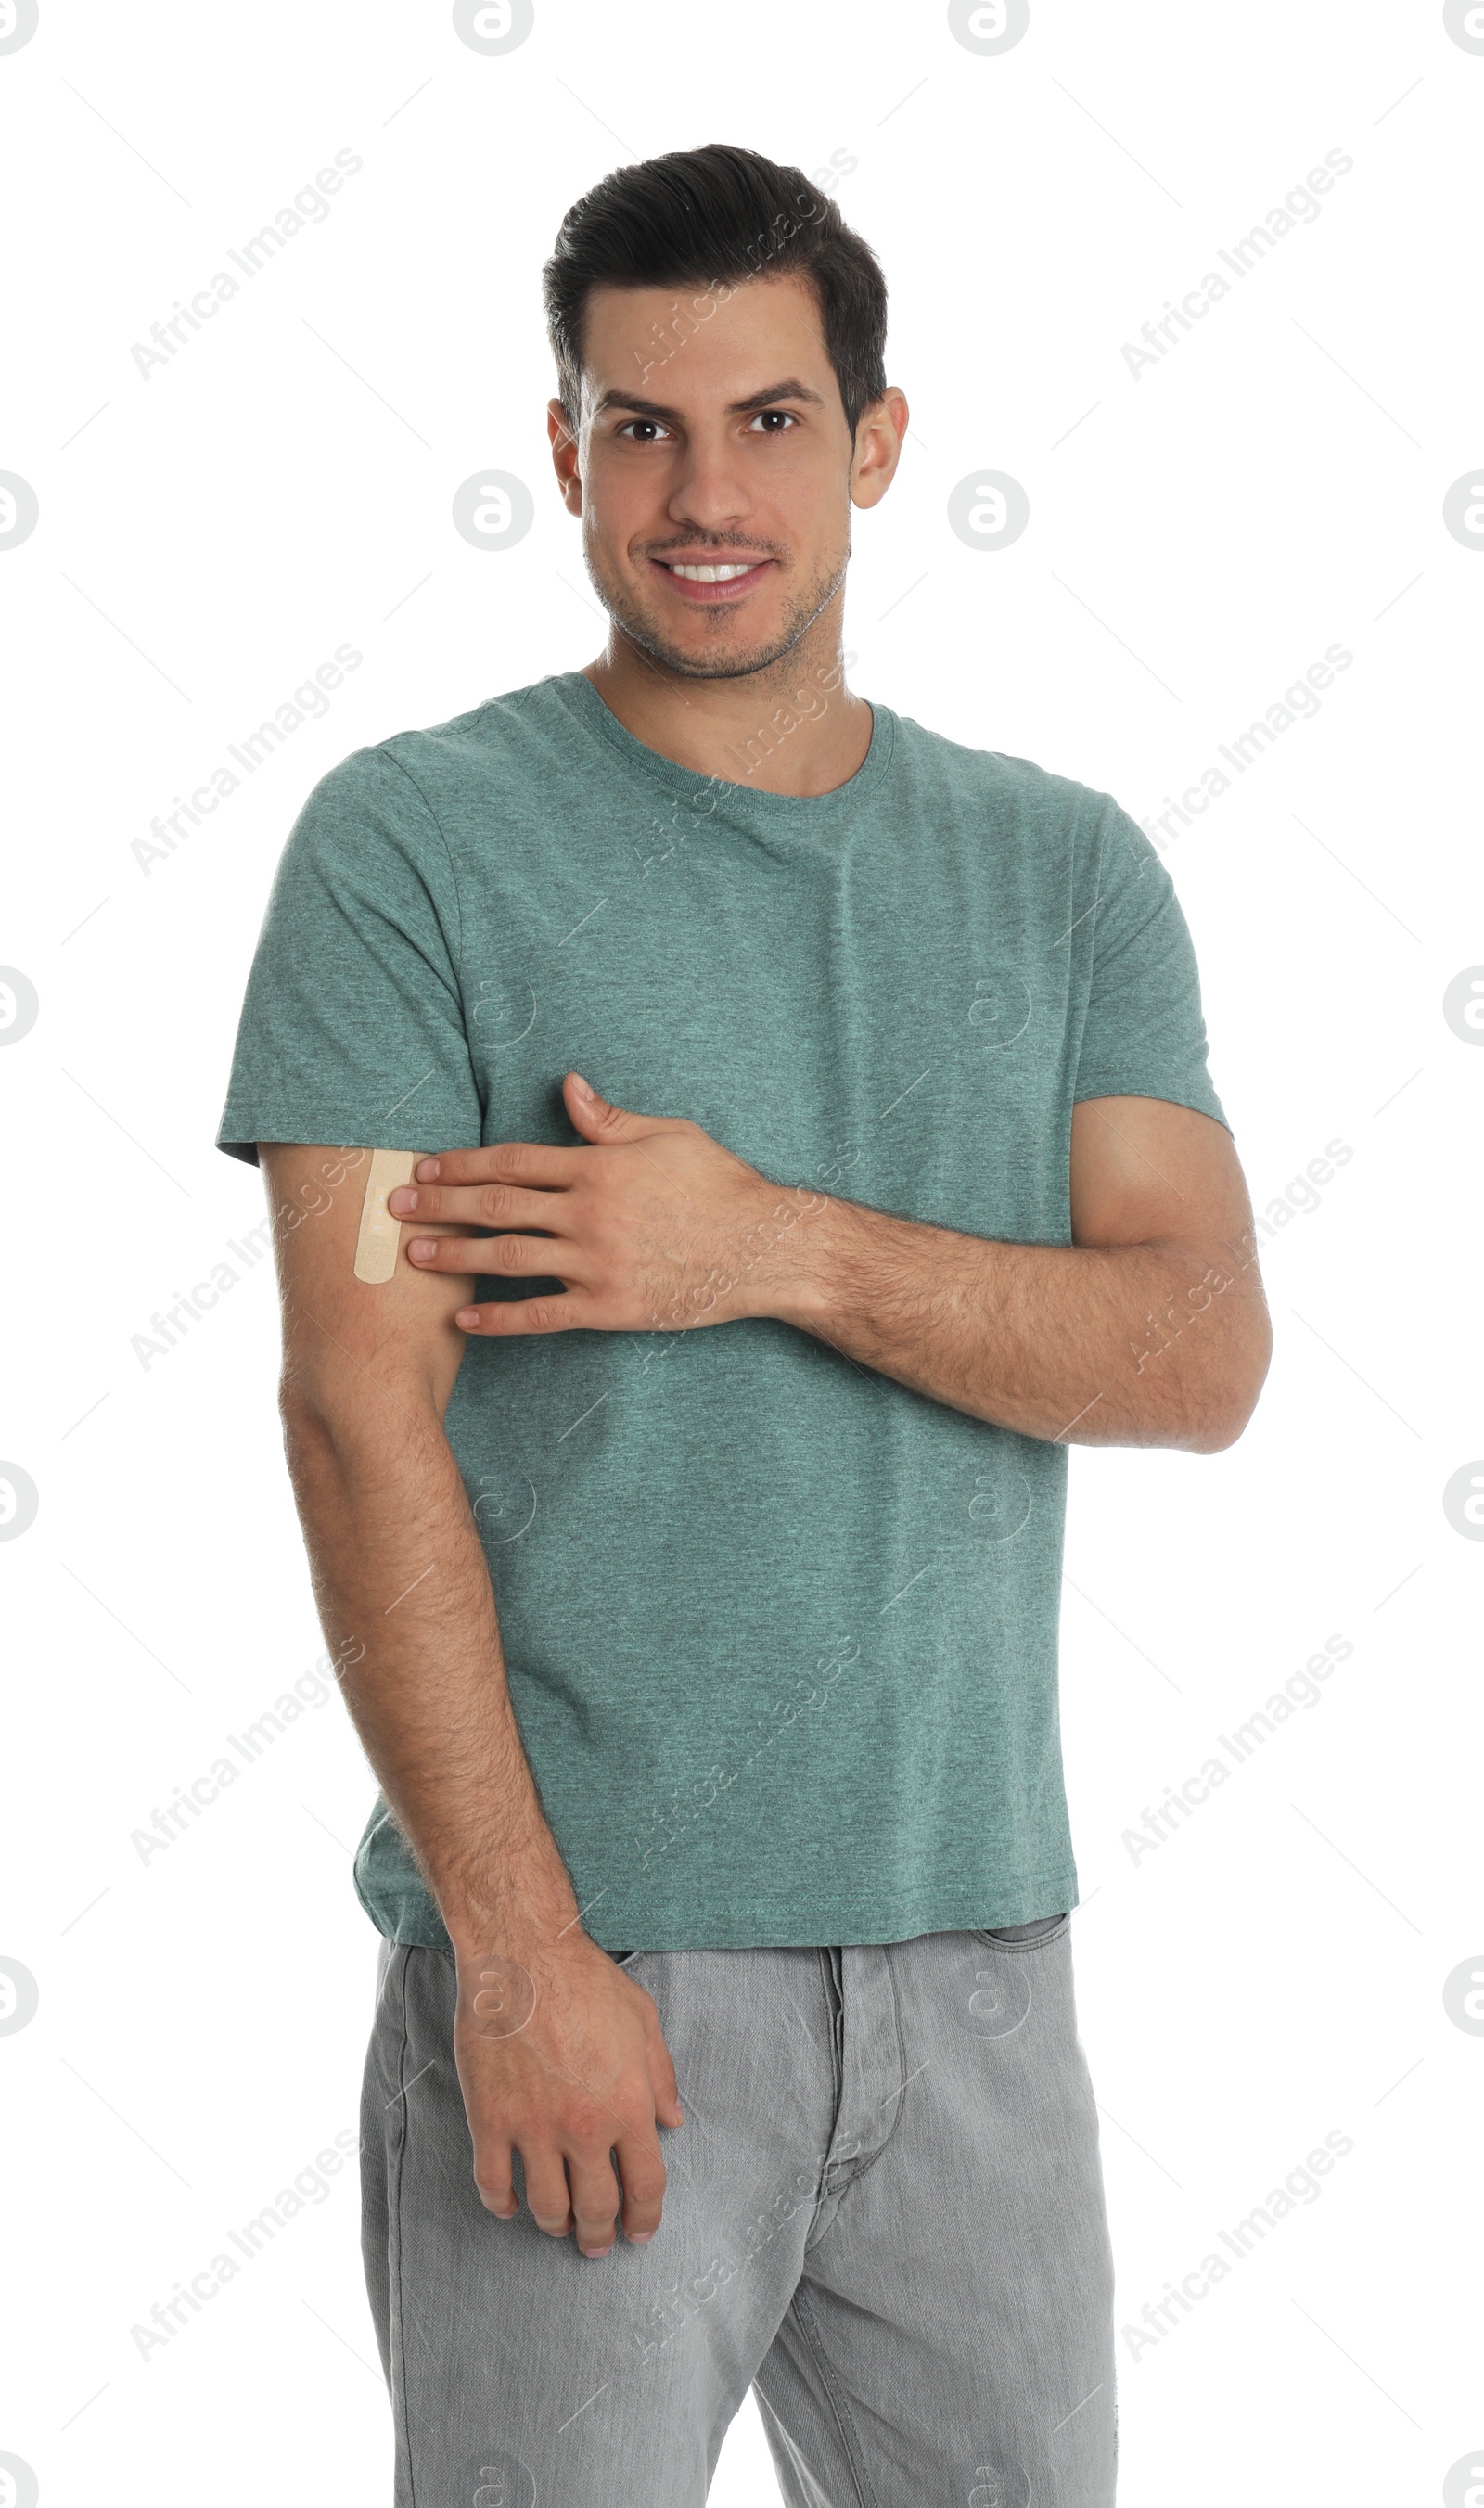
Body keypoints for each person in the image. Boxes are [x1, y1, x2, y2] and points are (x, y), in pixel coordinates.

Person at [218, 142, 1270, 2508]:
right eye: (639, 425)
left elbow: (1197, 1350)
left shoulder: (1063, 866)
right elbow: (347, 1411)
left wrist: (767, 1245)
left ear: (875, 444)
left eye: (770, 420)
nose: (704, 492)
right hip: (595, 1973)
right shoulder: (411, 847)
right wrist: (513, 1953)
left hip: (982, 1952)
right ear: (564, 445)